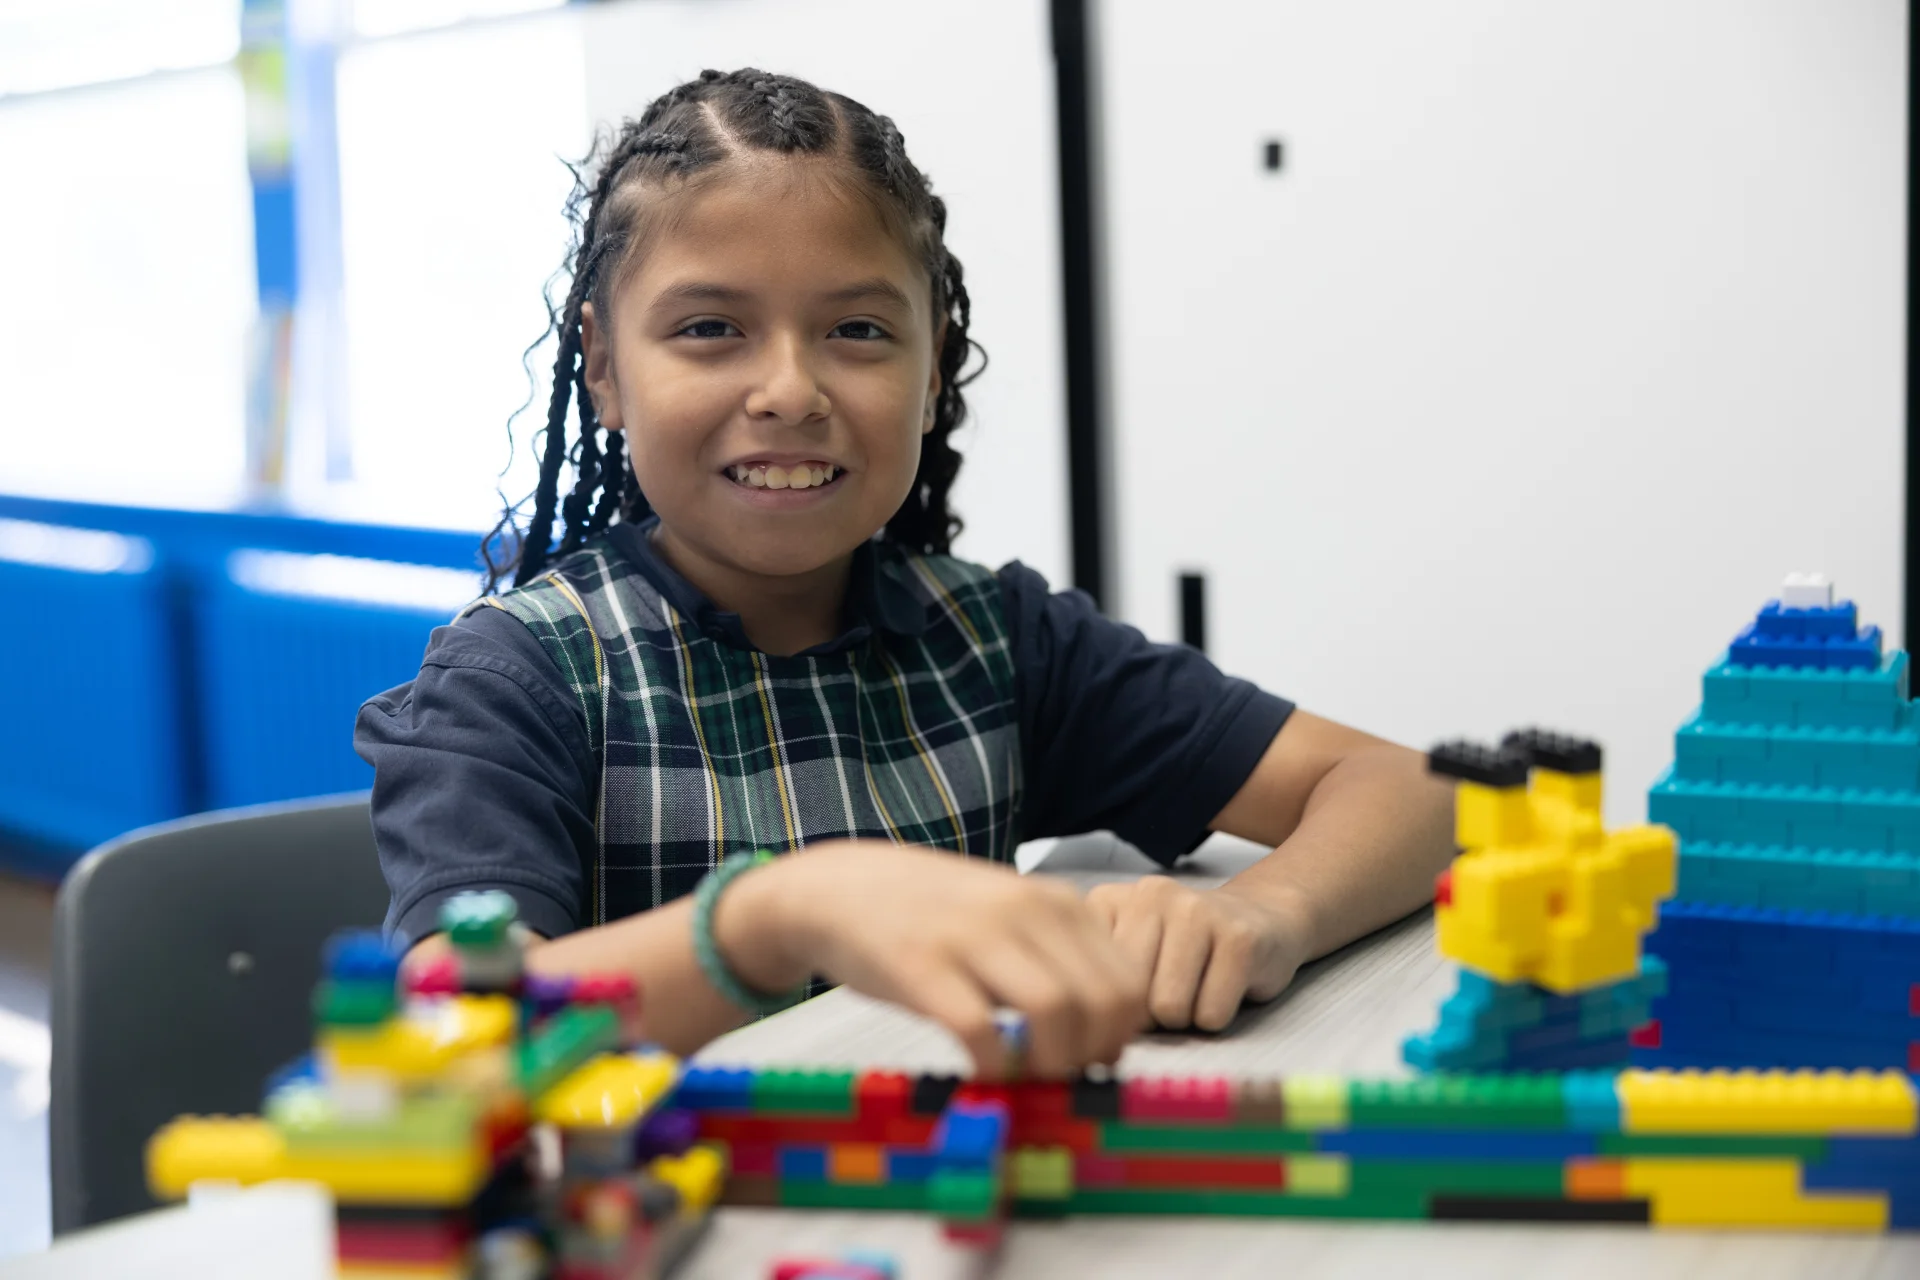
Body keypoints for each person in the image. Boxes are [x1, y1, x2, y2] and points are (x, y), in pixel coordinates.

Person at [355, 68, 1454, 1081]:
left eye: (858, 329)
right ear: (603, 367)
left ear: (934, 372)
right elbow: (460, 1046)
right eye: (708, 327)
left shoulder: (996, 640)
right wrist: (774, 917)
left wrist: (1269, 913)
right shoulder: (515, 680)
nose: (789, 388)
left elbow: (1422, 790)